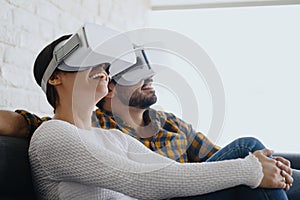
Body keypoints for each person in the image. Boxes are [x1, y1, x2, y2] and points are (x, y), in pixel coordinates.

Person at [27, 23, 292, 200]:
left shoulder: (113, 138)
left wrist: (254, 169)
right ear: (55, 78)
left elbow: (169, 171)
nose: (103, 70)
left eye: (105, 65)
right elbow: (138, 180)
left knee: (257, 172)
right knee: (253, 175)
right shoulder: (52, 134)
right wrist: (249, 170)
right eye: (89, 61)